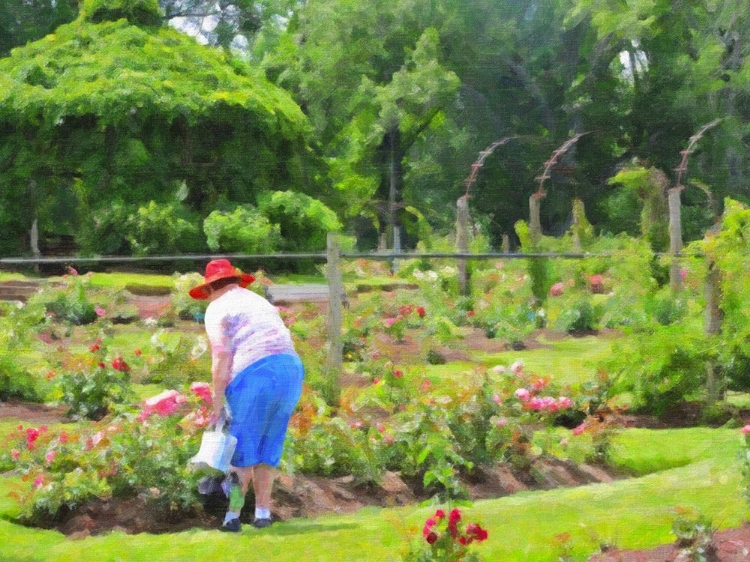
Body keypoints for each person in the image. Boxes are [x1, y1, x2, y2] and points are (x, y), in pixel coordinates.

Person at [189, 259, 304, 532]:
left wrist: (217, 404)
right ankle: (263, 513)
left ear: (209, 289)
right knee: (269, 446)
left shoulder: (217, 308)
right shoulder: (257, 301)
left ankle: (233, 516)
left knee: (241, 451)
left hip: (255, 373)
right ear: (235, 282)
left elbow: (221, 356)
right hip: (290, 369)